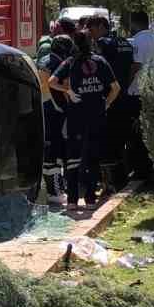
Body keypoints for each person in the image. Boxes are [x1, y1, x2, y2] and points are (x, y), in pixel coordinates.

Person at [49, 32, 120, 210]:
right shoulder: (101, 61)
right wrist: (106, 104)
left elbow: (51, 81)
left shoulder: (70, 62)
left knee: (73, 158)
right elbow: (116, 88)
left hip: (76, 117)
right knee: (93, 157)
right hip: (97, 116)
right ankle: (90, 199)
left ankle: (72, 200)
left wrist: (68, 91)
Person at [90, 15, 136, 189]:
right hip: (124, 95)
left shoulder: (103, 43)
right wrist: (123, 85)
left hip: (109, 99)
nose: (93, 36)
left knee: (108, 141)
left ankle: (112, 182)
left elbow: (98, 68)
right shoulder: (124, 42)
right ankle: (123, 177)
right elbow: (132, 67)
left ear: (102, 26)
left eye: (93, 30)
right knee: (122, 138)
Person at [123, 10, 154, 182]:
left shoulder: (138, 41)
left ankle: (141, 169)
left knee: (137, 133)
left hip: (137, 92)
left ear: (133, 23)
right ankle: (153, 166)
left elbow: (136, 65)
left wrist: (124, 84)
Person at [36, 32, 75, 205]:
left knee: (49, 153)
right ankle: (55, 192)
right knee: (56, 154)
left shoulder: (41, 61)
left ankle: (53, 189)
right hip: (56, 112)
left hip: (42, 109)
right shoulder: (60, 64)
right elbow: (65, 88)